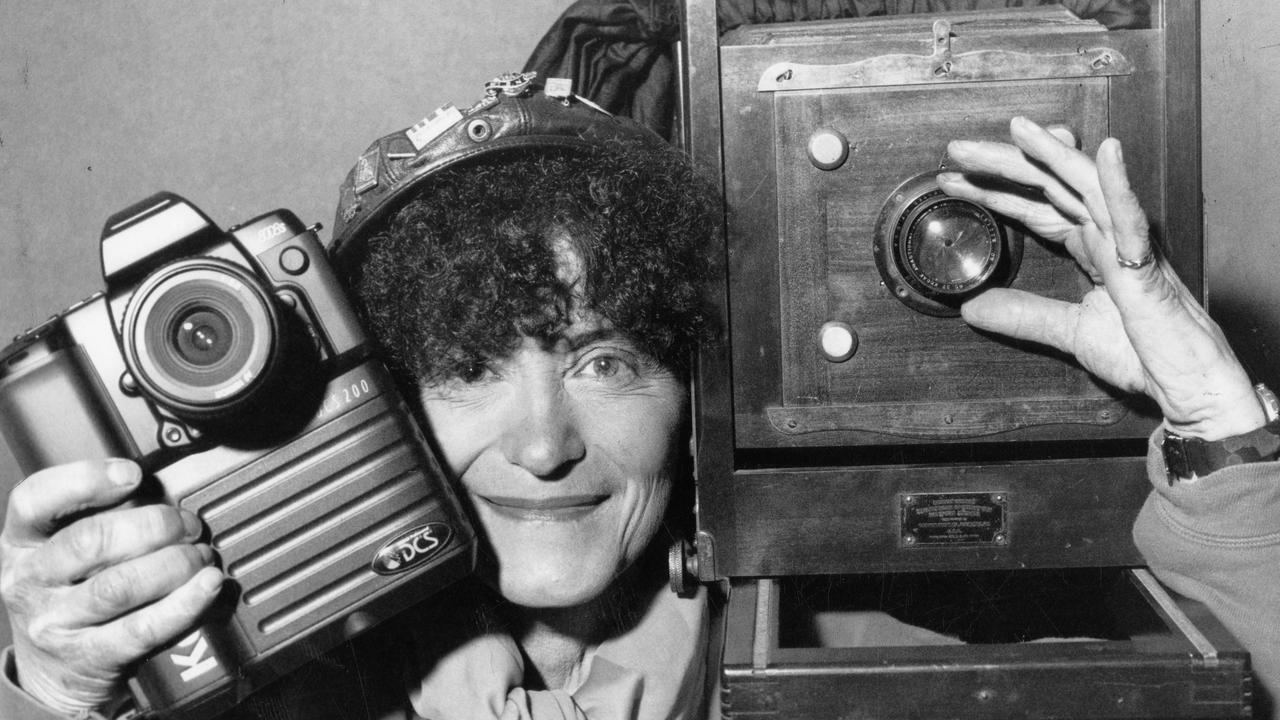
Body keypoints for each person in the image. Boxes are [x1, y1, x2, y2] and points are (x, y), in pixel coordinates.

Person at [1, 74, 1278, 720]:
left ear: (694, 389)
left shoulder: (836, 668)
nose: (547, 441)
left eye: (606, 359)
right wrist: (66, 689)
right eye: (467, 362)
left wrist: (1216, 417)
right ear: (377, 402)